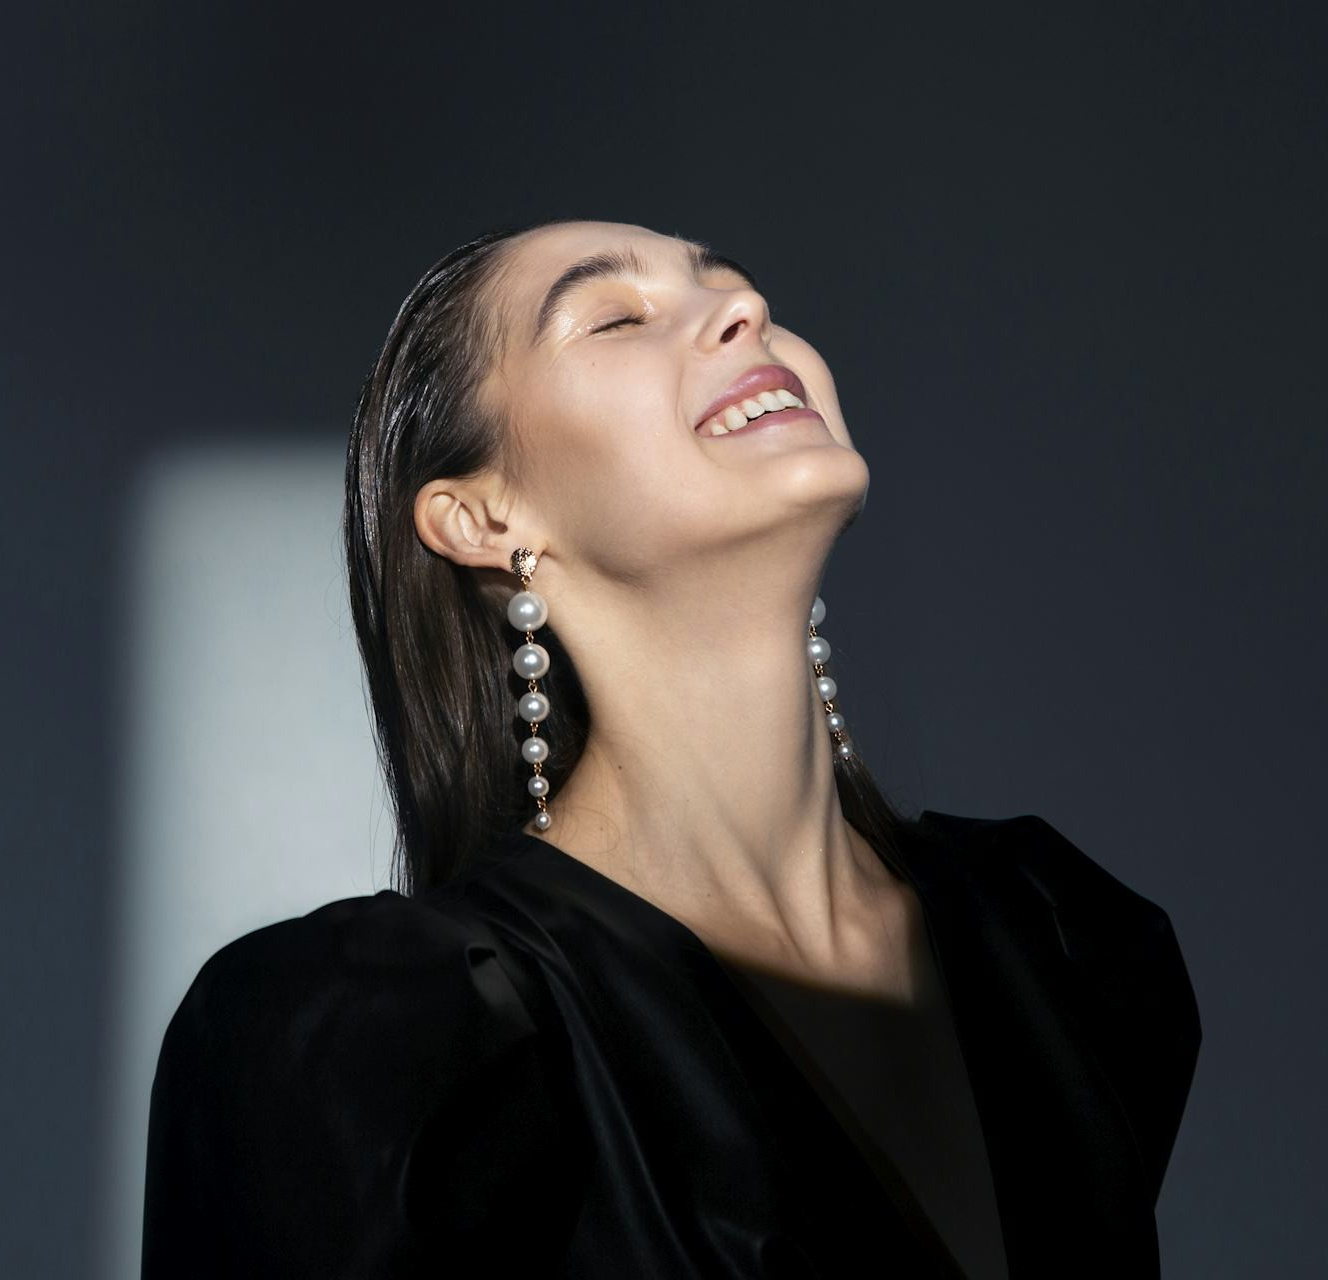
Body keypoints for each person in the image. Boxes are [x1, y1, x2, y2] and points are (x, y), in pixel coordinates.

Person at [139, 219, 1203, 1278]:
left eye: (735, 284)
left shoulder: (1061, 941)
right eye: (614, 318)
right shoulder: (381, 1047)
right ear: (481, 518)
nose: (746, 311)